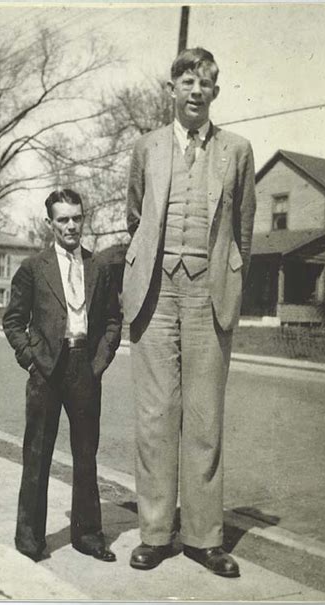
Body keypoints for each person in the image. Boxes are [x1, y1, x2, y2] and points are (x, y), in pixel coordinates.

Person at [122, 48, 256, 576]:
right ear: (172, 88)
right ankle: (155, 534)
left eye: (208, 83)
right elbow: (136, 215)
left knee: (204, 419)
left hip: (209, 293)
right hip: (155, 293)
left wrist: (229, 277)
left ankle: (204, 539)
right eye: (188, 80)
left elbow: (243, 227)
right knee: (155, 418)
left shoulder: (238, 150)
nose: (197, 90)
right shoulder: (146, 147)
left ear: (215, 93)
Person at [3, 189, 121, 563]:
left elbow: (114, 321)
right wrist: (31, 360)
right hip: (46, 371)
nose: (71, 226)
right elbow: (13, 321)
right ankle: (30, 540)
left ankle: (87, 535)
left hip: (84, 366)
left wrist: (99, 362)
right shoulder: (33, 268)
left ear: (83, 219)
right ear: (49, 223)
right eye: (63, 219)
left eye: (77, 218)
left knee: (86, 455)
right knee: (37, 454)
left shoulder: (99, 267)